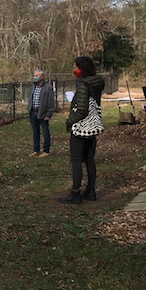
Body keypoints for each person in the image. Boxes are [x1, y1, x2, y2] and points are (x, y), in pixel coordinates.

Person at [59, 56, 105, 204]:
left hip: (81, 127)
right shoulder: (96, 82)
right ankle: (90, 190)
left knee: (76, 160)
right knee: (90, 160)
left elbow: (82, 110)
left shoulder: (84, 85)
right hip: (93, 126)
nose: (74, 70)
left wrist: (69, 121)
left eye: (76, 67)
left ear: (82, 69)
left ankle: (75, 192)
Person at [27, 68, 55, 157]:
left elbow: (51, 102)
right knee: (36, 132)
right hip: (33, 113)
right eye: (34, 75)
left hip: (43, 114)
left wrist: (49, 114)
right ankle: (36, 150)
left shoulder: (48, 88)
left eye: (36, 75)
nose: (34, 77)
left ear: (42, 76)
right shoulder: (33, 87)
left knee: (45, 132)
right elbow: (30, 99)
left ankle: (46, 151)